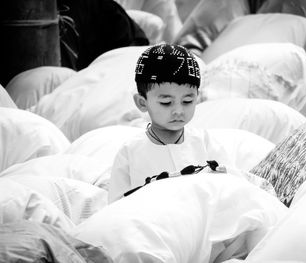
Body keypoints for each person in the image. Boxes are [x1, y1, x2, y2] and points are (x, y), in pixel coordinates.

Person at [108, 43, 272, 203]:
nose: (178, 111)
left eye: (187, 101)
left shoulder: (205, 143)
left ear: (197, 98)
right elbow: (116, 210)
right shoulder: (130, 153)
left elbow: (229, 186)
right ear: (142, 103)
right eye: (166, 103)